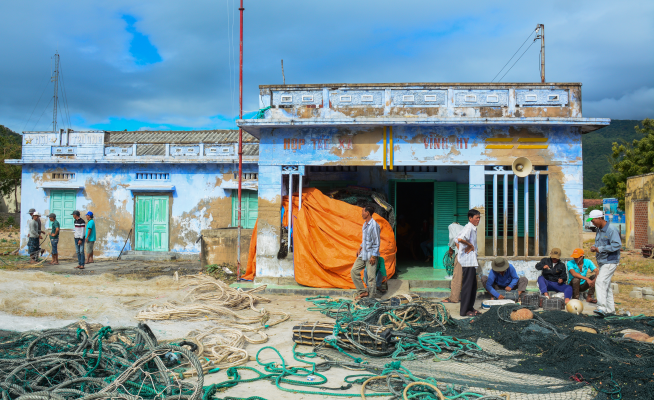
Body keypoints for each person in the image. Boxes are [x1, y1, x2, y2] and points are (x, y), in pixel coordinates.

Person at [587, 209, 622, 315]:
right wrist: (595, 248)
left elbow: (617, 245)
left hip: (610, 261)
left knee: (600, 282)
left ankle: (601, 307)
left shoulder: (611, 230)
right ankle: (611, 310)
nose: (592, 222)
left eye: (593, 220)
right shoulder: (599, 230)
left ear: (599, 218)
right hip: (602, 261)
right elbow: (600, 244)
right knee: (606, 285)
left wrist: (600, 249)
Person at [351, 205, 381, 300]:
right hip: (364, 253)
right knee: (354, 271)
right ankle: (362, 291)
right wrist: (360, 247)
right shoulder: (365, 224)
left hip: (371, 255)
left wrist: (373, 256)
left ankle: (371, 298)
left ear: (367, 213)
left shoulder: (374, 225)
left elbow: (377, 242)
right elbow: (366, 239)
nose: (361, 214)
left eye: (363, 212)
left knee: (371, 277)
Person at [457, 209, 481, 317]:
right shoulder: (468, 227)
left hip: (471, 261)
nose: (478, 220)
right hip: (468, 262)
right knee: (467, 286)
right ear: (470, 218)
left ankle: (470, 308)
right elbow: (459, 239)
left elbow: (456, 240)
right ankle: (464, 311)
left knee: (473, 286)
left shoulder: (472, 228)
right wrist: (469, 246)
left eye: (479, 217)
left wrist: (461, 249)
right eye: (476, 218)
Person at [443, 222, 464, 304]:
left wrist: (451, 248)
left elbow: (452, 237)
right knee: (465, 276)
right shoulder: (464, 228)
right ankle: (463, 297)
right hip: (469, 254)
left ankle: (454, 298)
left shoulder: (452, 226)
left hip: (460, 253)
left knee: (456, 276)